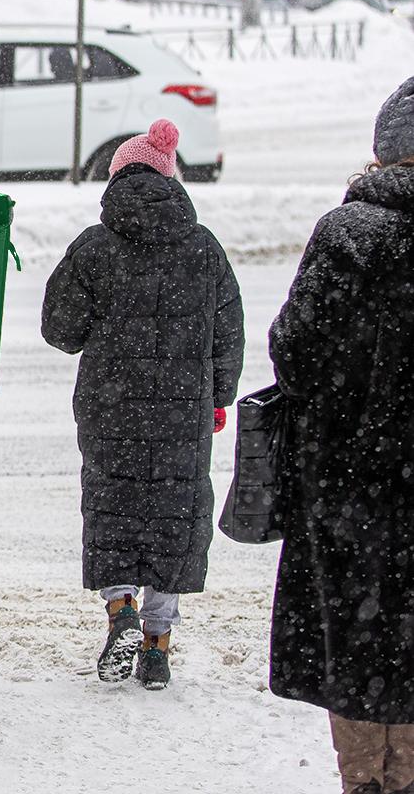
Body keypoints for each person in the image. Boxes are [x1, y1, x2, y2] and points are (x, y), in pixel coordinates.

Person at [41, 118, 244, 690]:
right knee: (173, 520)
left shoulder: (95, 246)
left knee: (113, 511)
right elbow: (229, 329)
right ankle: (157, 644)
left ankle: (119, 609)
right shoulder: (204, 249)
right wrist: (219, 395)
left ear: (116, 179)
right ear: (170, 178)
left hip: (111, 410)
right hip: (184, 415)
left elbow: (60, 330)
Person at [268, 75, 414, 794]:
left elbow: (293, 349)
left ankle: (364, 780)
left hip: (348, 488)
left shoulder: (347, 233)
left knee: (357, 645)